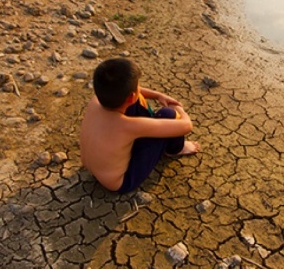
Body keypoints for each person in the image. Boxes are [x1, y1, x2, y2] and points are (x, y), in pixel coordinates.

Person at [80, 57, 200, 193]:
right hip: (121, 182)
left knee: (132, 102)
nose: (139, 88)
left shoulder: (95, 101)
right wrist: (178, 109)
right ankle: (175, 149)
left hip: (93, 167)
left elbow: (131, 93)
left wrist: (157, 95)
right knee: (168, 114)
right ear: (131, 96)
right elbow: (186, 126)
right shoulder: (128, 126)